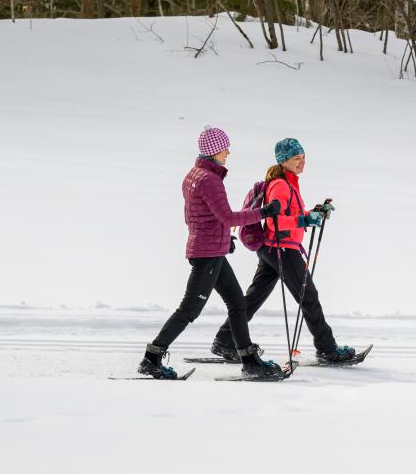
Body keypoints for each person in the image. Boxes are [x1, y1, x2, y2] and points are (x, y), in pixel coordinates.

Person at [138, 125, 288, 380]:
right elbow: (227, 217)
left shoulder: (194, 175)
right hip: (208, 254)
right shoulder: (210, 180)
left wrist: (222, 238)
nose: (228, 152)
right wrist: (264, 212)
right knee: (189, 310)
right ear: (214, 151)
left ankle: (249, 359)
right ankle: (151, 358)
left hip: (210, 249)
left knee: (238, 304)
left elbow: (196, 217)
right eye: (224, 148)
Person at [210, 137, 358, 365]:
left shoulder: (288, 183)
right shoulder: (280, 184)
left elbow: (289, 216)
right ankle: (327, 349)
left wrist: (313, 213)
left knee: (253, 298)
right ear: (284, 161)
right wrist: (305, 219)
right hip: (282, 249)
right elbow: (273, 221)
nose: (302, 163)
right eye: (296, 158)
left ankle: (224, 339)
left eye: (303, 158)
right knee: (309, 297)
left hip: (272, 248)